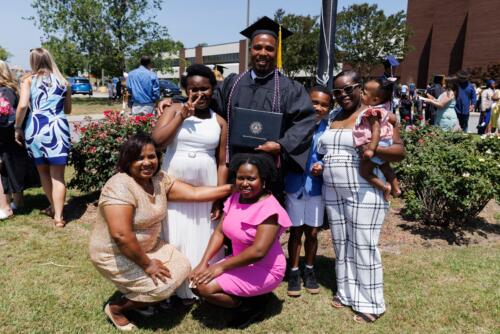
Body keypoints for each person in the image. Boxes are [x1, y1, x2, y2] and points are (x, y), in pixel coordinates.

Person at [158, 17, 317, 196]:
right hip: (234, 168)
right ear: (250, 50)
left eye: (269, 48)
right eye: (257, 47)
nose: (263, 53)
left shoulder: (290, 88)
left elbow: (305, 121)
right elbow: (207, 99)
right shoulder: (233, 84)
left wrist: (281, 145)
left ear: (276, 51)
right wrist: (176, 100)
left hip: (270, 170)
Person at [89, 134, 232, 331]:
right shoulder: (120, 185)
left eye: (152, 156)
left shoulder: (159, 180)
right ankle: (117, 308)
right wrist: (147, 265)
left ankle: (139, 294)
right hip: (116, 252)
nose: (147, 162)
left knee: (182, 266)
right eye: (140, 158)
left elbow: (195, 193)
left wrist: (235, 188)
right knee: (162, 287)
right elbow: (121, 236)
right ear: (127, 160)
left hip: (150, 247)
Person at [317, 70, 405, 323]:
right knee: (341, 243)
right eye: (337, 91)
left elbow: (399, 152)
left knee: (363, 245)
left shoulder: (373, 115)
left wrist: (373, 149)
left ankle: (371, 303)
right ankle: (346, 292)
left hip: (363, 190)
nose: (343, 95)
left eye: (348, 89)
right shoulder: (334, 115)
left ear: (359, 88)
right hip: (332, 190)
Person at [151, 64, 228, 302]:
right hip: (175, 181)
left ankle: (198, 282)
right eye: (193, 89)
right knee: (175, 229)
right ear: (185, 89)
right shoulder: (173, 109)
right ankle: (173, 284)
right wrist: (181, 116)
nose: (199, 94)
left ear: (213, 89)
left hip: (206, 184)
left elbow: (223, 162)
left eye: (205, 89)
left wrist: (218, 196)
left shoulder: (220, 121)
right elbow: (157, 142)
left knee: (203, 231)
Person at [190, 153, 292, 329]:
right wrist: (203, 263)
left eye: (251, 179)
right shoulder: (236, 198)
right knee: (194, 284)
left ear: (264, 180)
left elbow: (258, 252)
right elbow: (220, 232)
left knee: (203, 288)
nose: (245, 183)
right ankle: (252, 296)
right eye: (240, 178)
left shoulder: (270, 209)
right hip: (238, 261)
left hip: (265, 268)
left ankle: (251, 306)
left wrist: (219, 267)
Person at [14, 48, 71, 227]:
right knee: (58, 176)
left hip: (36, 128)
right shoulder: (64, 82)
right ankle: (59, 217)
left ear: (33, 62)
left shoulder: (28, 80)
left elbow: (23, 106)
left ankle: (54, 207)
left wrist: (17, 127)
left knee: (43, 172)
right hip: (58, 128)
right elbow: (68, 110)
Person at [285, 86, 331, 297]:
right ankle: (293, 271)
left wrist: (322, 164)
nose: (318, 107)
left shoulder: (329, 130)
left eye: (324, 104)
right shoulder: (294, 126)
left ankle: (309, 270)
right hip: (294, 183)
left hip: (315, 187)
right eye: (314, 102)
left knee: (312, 231)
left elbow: (331, 154)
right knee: (295, 230)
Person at [353, 78, 401, 201]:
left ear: (375, 100)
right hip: (385, 141)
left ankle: (384, 187)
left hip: (377, 142)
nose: (361, 94)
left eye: (364, 93)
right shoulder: (383, 109)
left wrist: (371, 149)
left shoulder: (371, 112)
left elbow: (376, 130)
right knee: (385, 166)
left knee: (364, 171)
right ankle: (396, 188)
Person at [0, 60, 34, 216]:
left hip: (7, 135)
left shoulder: (5, 91)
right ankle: (17, 202)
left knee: (9, 169)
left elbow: (5, 114)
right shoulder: (12, 89)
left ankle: (10, 205)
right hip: (12, 134)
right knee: (11, 168)